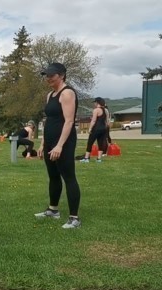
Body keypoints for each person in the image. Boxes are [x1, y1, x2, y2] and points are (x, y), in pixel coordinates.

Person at [35, 63, 81, 229]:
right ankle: (53, 210)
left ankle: (74, 218)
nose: (48, 78)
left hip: (64, 142)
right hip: (50, 141)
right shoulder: (50, 95)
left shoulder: (67, 93)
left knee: (68, 177)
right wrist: (42, 143)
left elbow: (69, 121)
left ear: (61, 75)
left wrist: (60, 146)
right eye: (46, 75)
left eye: (51, 75)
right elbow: (48, 121)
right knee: (53, 175)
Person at [81, 97, 110, 163]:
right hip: (103, 129)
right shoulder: (106, 110)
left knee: (90, 143)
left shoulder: (96, 110)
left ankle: (86, 158)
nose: (94, 103)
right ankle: (99, 159)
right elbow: (107, 121)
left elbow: (93, 121)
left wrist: (90, 128)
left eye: (95, 102)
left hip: (96, 128)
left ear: (97, 103)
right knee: (101, 143)